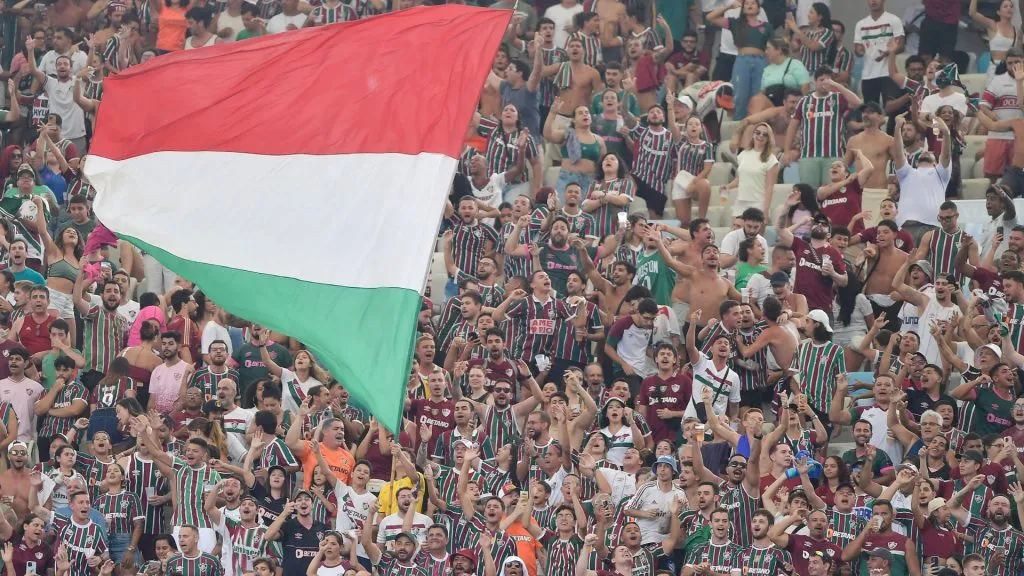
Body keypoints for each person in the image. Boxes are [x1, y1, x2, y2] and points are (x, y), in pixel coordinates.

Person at [783, 67, 863, 189]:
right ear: (815, 81)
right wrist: (787, 151)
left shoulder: (838, 98)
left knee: (833, 193)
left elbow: (858, 103)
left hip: (834, 155)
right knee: (809, 193)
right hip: (808, 155)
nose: (825, 82)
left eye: (828, 79)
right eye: (821, 79)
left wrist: (835, 85)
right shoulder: (804, 101)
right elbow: (792, 126)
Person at [854, 0, 904, 109]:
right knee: (870, 110)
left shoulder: (893, 20)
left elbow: (900, 46)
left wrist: (888, 52)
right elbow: (857, 48)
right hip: (868, 74)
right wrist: (859, 50)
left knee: (892, 109)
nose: (873, 1)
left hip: (889, 73)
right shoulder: (860, 24)